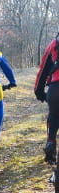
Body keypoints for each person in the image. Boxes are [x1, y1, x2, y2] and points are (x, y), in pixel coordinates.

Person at [34, 33, 59, 163]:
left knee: (54, 115)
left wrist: (39, 92)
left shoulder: (53, 45)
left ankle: (50, 142)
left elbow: (42, 71)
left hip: (56, 89)